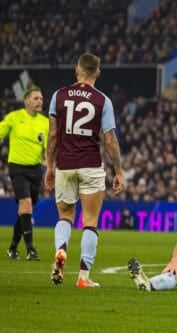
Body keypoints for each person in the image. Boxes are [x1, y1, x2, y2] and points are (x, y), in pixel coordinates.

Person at [45, 52, 124, 288]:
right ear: (98, 73)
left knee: (65, 217)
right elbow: (110, 139)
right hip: (90, 165)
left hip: (65, 165)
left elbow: (52, 135)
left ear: (76, 71)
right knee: (90, 221)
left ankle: (61, 251)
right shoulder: (103, 100)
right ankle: (83, 277)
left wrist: (50, 165)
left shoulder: (58, 95)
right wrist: (118, 170)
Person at [0, 85, 48, 261]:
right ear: (26, 100)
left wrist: (50, 164)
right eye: (36, 98)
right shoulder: (14, 118)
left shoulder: (45, 122)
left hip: (35, 171)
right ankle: (30, 249)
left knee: (24, 211)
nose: (39, 101)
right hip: (18, 168)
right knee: (26, 204)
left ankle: (12, 248)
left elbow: (48, 148)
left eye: (41, 99)